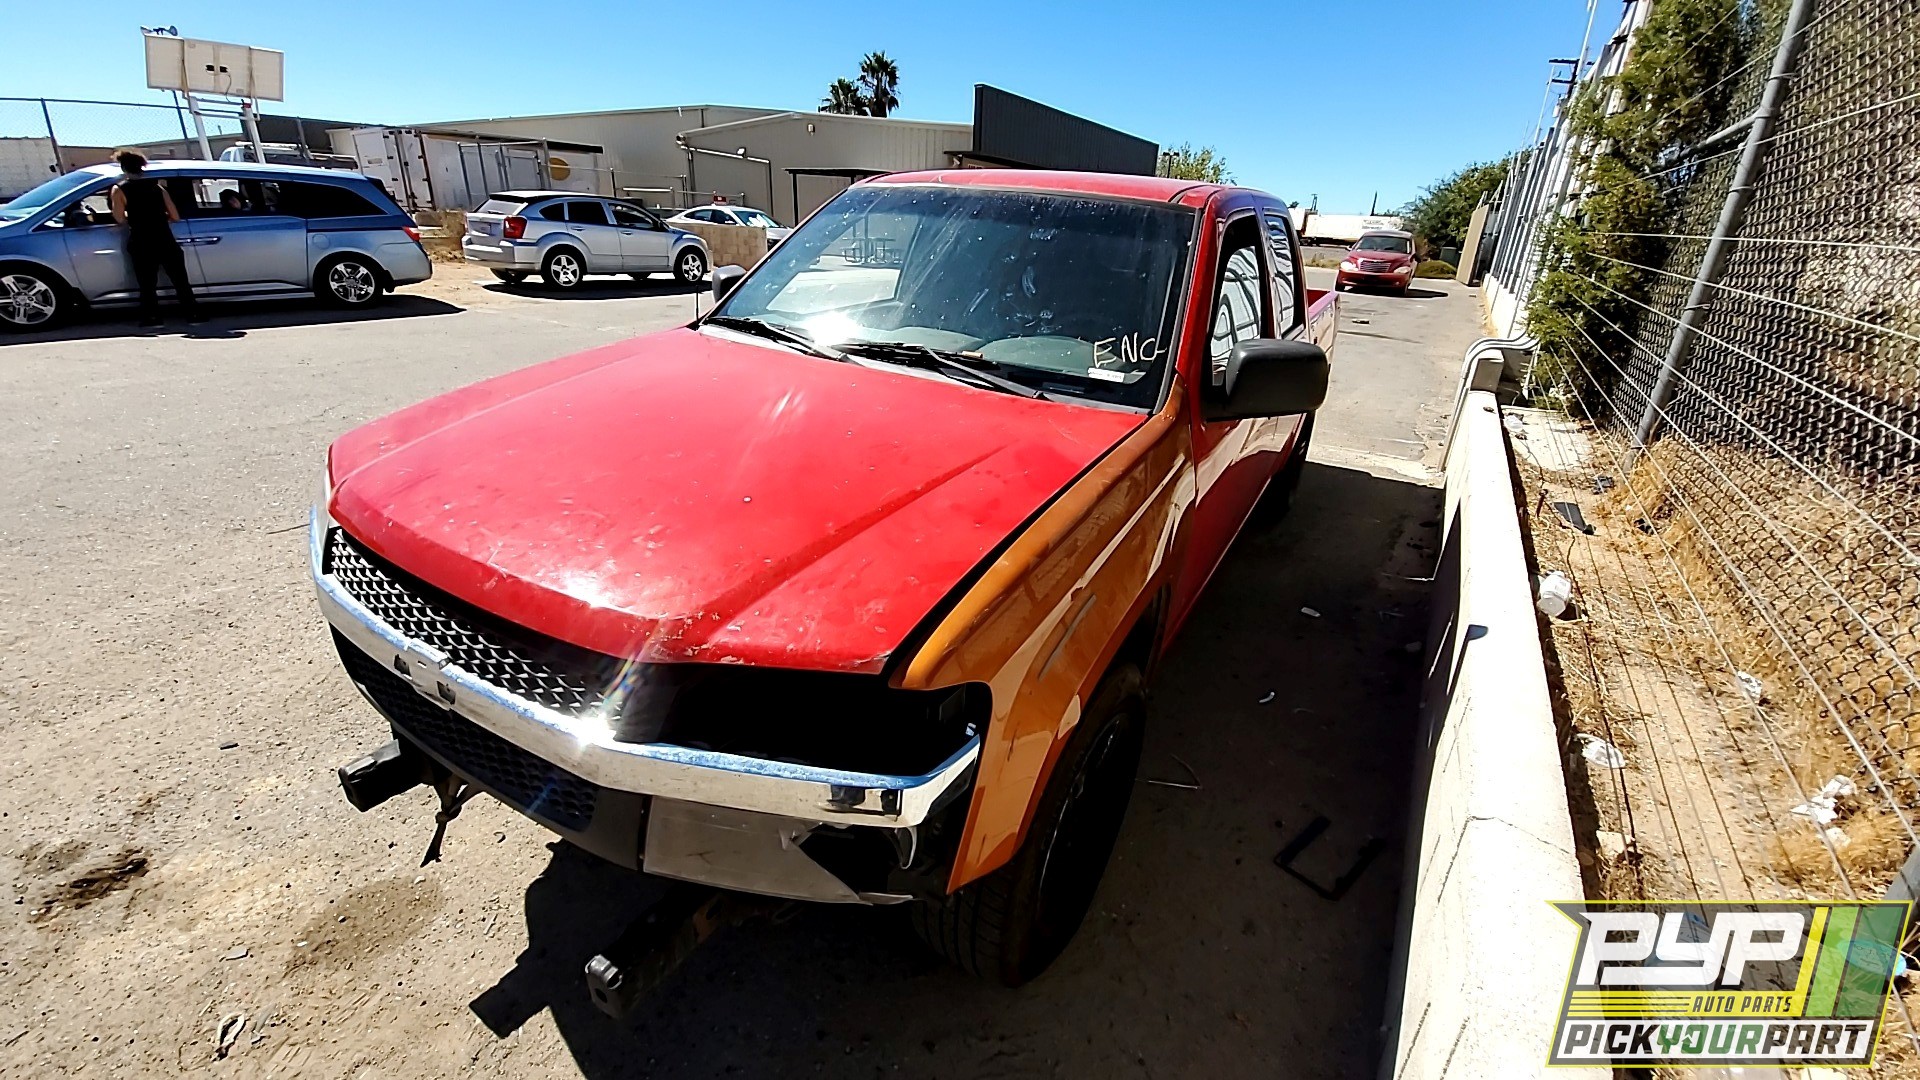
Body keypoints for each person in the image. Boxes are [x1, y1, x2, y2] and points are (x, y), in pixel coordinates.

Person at [108, 149, 202, 327]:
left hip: (141, 241)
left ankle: (152, 317)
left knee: (147, 283)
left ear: (123, 168)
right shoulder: (157, 187)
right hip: (165, 239)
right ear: (142, 168)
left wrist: (136, 217)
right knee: (180, 280)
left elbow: (119, 217)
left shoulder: (119, 189)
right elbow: (175, 216)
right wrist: (157, 217)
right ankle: (193, 314)